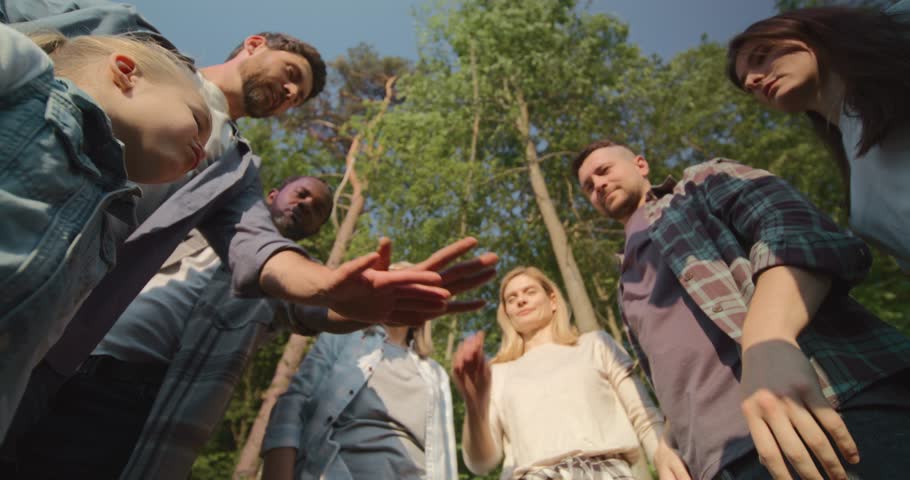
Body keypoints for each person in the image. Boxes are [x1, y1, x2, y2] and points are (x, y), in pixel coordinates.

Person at [1, 5, 496, 443]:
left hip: (48, 336)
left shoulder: (236, 169)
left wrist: (328, 286)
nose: (289, 91)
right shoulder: (129, 36)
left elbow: (258, 249)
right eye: (290, 73)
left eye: (296, 95)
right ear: (253, 44)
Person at [573, 139, 910, 480]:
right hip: (717, 465)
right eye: (588, 186)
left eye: (604, 171)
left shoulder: (699, 186)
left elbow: (797, 228)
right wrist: (668, 440)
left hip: (823, 410)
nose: (598, 185)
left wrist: (769, 337)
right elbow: (674, 374)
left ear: (640, 165)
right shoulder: (623, 285)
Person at [9, 175, 332, 478]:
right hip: (46, 361)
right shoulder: (195, 215)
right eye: (301, 194)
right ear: (273, 194)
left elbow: (326, 309)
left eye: (317, 208)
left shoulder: (292, 276)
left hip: (117, 402)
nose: (305, 204)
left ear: (316, 229)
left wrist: (370, 303)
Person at [0, 23, 212, 440]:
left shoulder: (104, 239)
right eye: (198, 121)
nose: (203, 151)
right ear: (126, 72)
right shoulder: (29, 81)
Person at [452, 266, 685, 480]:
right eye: (511, 299)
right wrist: (475, 406)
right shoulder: (497, 372)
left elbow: (643, 417)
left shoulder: (595, 345)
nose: (521, 300)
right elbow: (480, 463)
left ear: (553, 300)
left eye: (529, 292)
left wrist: (665, 458)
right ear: (507, 314)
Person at [726, 1, 910, 269]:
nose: (752, 81)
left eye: (761, 56)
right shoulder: (861, 204)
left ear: (807, 35)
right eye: (747, 86)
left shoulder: (899, 29)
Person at [260, 263, 459, 480]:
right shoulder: (343, 339)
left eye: (412, 288)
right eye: (394, 283)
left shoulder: (435, 373)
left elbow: (444, 455)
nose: (402, 292)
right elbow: (293, 403)